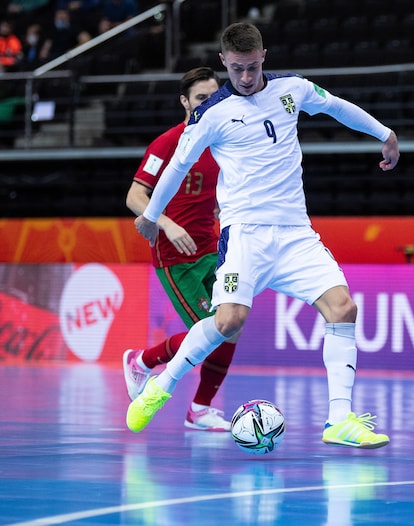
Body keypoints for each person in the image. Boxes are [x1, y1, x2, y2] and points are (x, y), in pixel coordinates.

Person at [127, 22, 399, 450]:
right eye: (237, 69)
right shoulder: (211, 113)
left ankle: (339, 421)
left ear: (264, 57)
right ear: (224, 62)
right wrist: (154, 214)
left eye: (253, 67)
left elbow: (337, 107)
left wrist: (385, 135)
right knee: (228, 321)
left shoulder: (292, 89)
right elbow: (177, 167)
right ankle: (161, 386)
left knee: (343, 309)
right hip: (245, 236)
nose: (247, 77)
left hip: (295, 233)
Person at [122, 66, 237, 432]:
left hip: (213, 249)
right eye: (201, 97)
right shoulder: (167, 143)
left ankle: (200, 409)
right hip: (177, 256)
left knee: (230, 326)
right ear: (185, 102)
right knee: (212, 329)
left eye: (215, 96)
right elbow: (134, 196)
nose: (210, 103)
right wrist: (165, 224)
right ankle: (141, 361)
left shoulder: (222, 140)